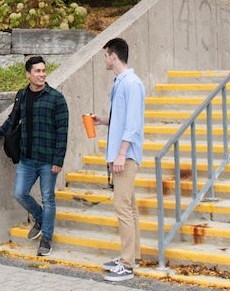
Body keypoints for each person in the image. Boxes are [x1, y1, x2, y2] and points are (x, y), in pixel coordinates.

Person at [0, 55, 69, 257]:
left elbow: (63, 130)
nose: (42, 74)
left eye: (44, 71)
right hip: (27, 159)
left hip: (47, 160)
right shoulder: (22, 96)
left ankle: (46, 238)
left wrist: (58, 160)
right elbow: (11, 121)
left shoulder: (56, 98)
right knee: (19, 193)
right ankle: (39, 217)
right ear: (28, 74)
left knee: (48, 198)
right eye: (37, 71)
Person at [92, 37, 146, 282]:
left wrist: (122, 153)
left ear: (113, 56)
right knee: (130, 207)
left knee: (122, 207)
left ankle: (127, 264)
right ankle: (131, 256)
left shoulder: (131, 83)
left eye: (105, 55)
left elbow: (133, 124)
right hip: (121, 154)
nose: (104, 59)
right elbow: (123, 119)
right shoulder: (122, 82)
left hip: (126, 155)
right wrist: (103, 121)